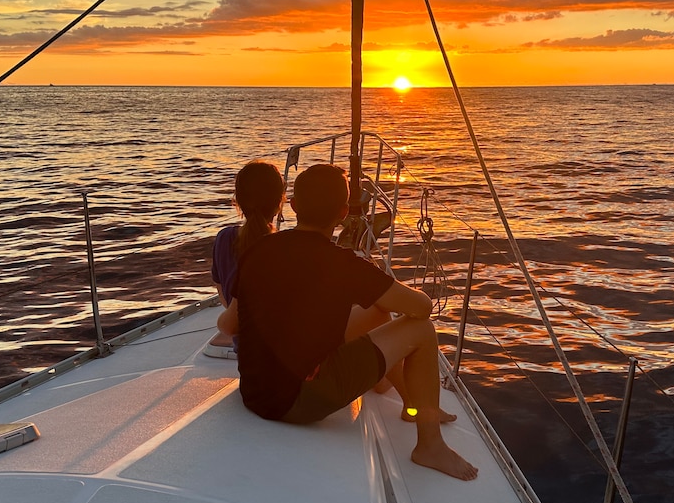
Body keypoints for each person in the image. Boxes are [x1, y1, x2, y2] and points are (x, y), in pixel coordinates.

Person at [233, 163, 477, 481]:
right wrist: (377, 284)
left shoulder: (259, 248)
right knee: (421, 330)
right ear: (344, 212)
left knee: (377, 315)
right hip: (295, 401)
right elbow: (422, 307)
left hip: (254, 391)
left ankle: (412, 404)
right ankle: (429, 445)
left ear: (293, 206)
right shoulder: (344, 265)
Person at [204, 160, 286, 359]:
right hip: (284, 360)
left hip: (246, 354)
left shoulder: (224, 238)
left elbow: (223, 293)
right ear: (279, 203)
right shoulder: (286, 247)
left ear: (238, 201)